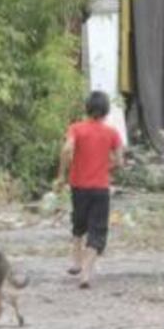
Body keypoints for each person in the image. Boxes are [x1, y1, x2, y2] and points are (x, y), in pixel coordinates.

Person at [55, 91, 123, 289]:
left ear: (87, 108)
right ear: (106, 111)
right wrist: (105, 166)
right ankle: (85, 274)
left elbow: (67, 149)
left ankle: (76, 261)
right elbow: (119, 161)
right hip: (100, 188)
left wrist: (61, 175)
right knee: (97, 230)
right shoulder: (112, 133)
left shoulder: (76, 128)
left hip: (78, 187)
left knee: (79, 224)